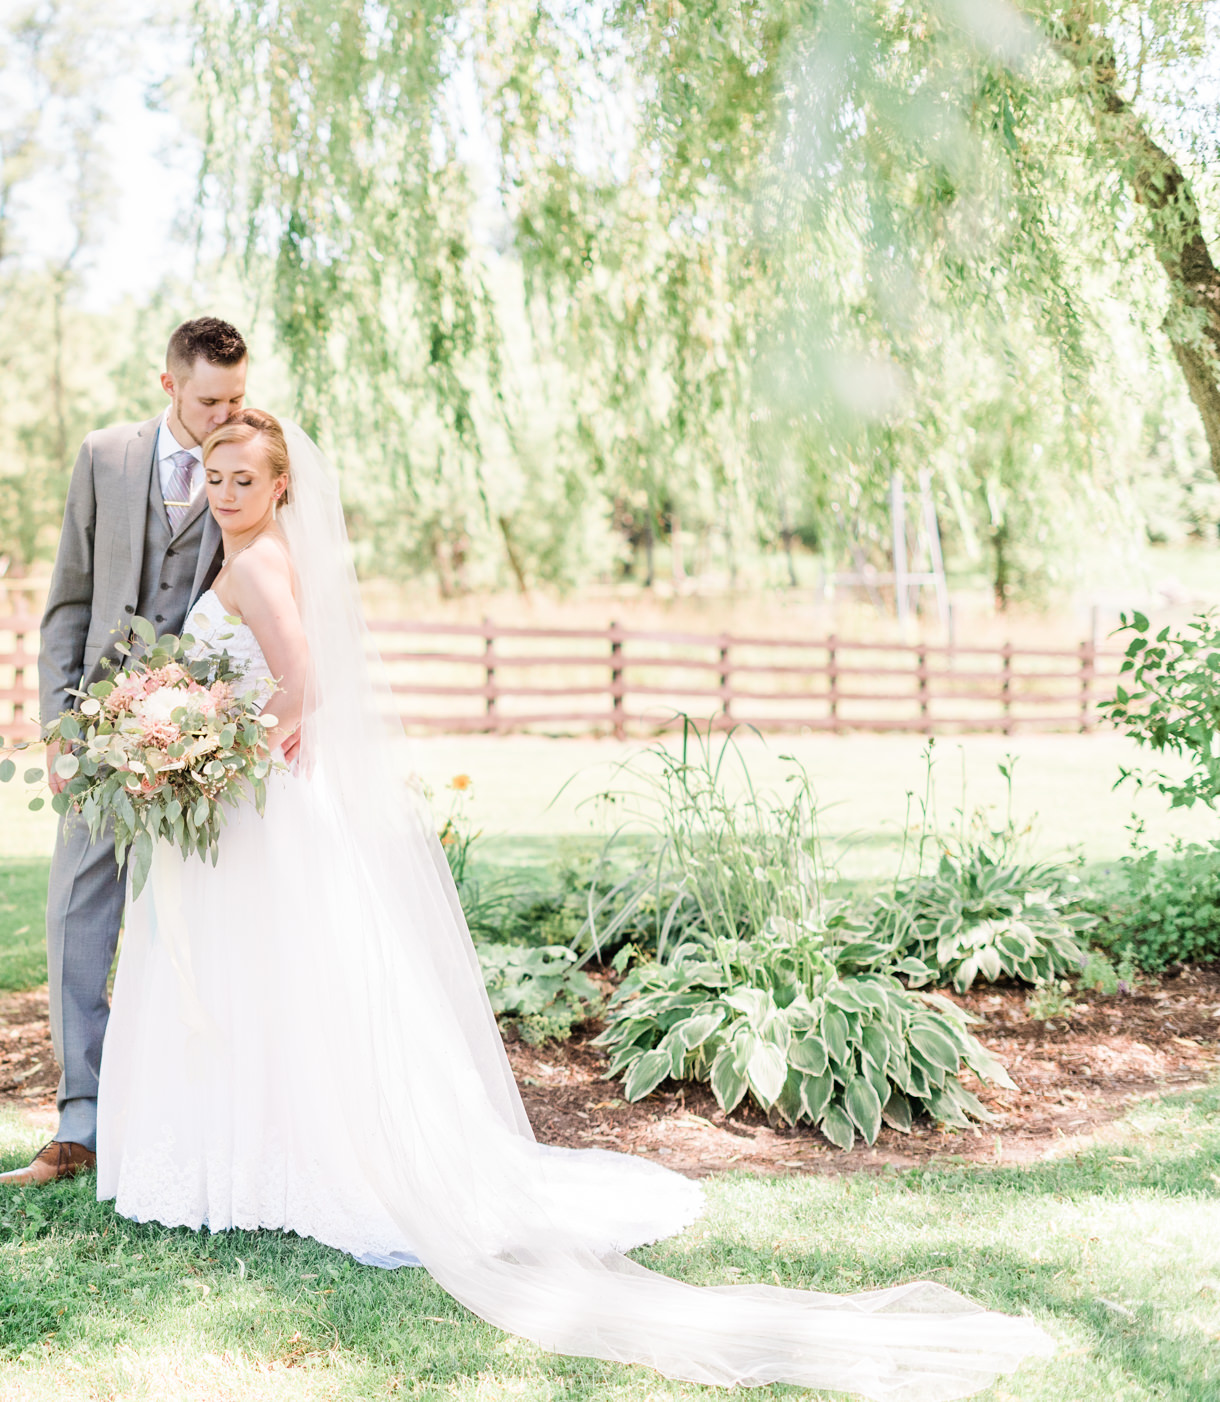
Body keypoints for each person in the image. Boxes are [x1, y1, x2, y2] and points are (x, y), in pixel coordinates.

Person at [90, 408, 1056, 1400]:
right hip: (260, 810)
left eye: (243, 479)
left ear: (281, 485)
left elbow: (309, 686)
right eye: (213, 477)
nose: (225, 493)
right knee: (271, 988)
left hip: (265, 807)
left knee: (271, 984)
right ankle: (259, 1161)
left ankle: (278, 1168)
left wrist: (215, 746)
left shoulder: (255, 565)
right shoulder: (257, 553)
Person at [0, 317, 248, 1187]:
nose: (225, 415)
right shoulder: (105, 456)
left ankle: (184, 1117)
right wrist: (61, 723)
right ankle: (79, 1123)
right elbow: (68, 600)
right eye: (210, 399)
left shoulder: (253, 460)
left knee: (193, 920)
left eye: (237, 398)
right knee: (78, 912)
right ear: (168, 385)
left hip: (206, 738)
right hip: (103, 728)